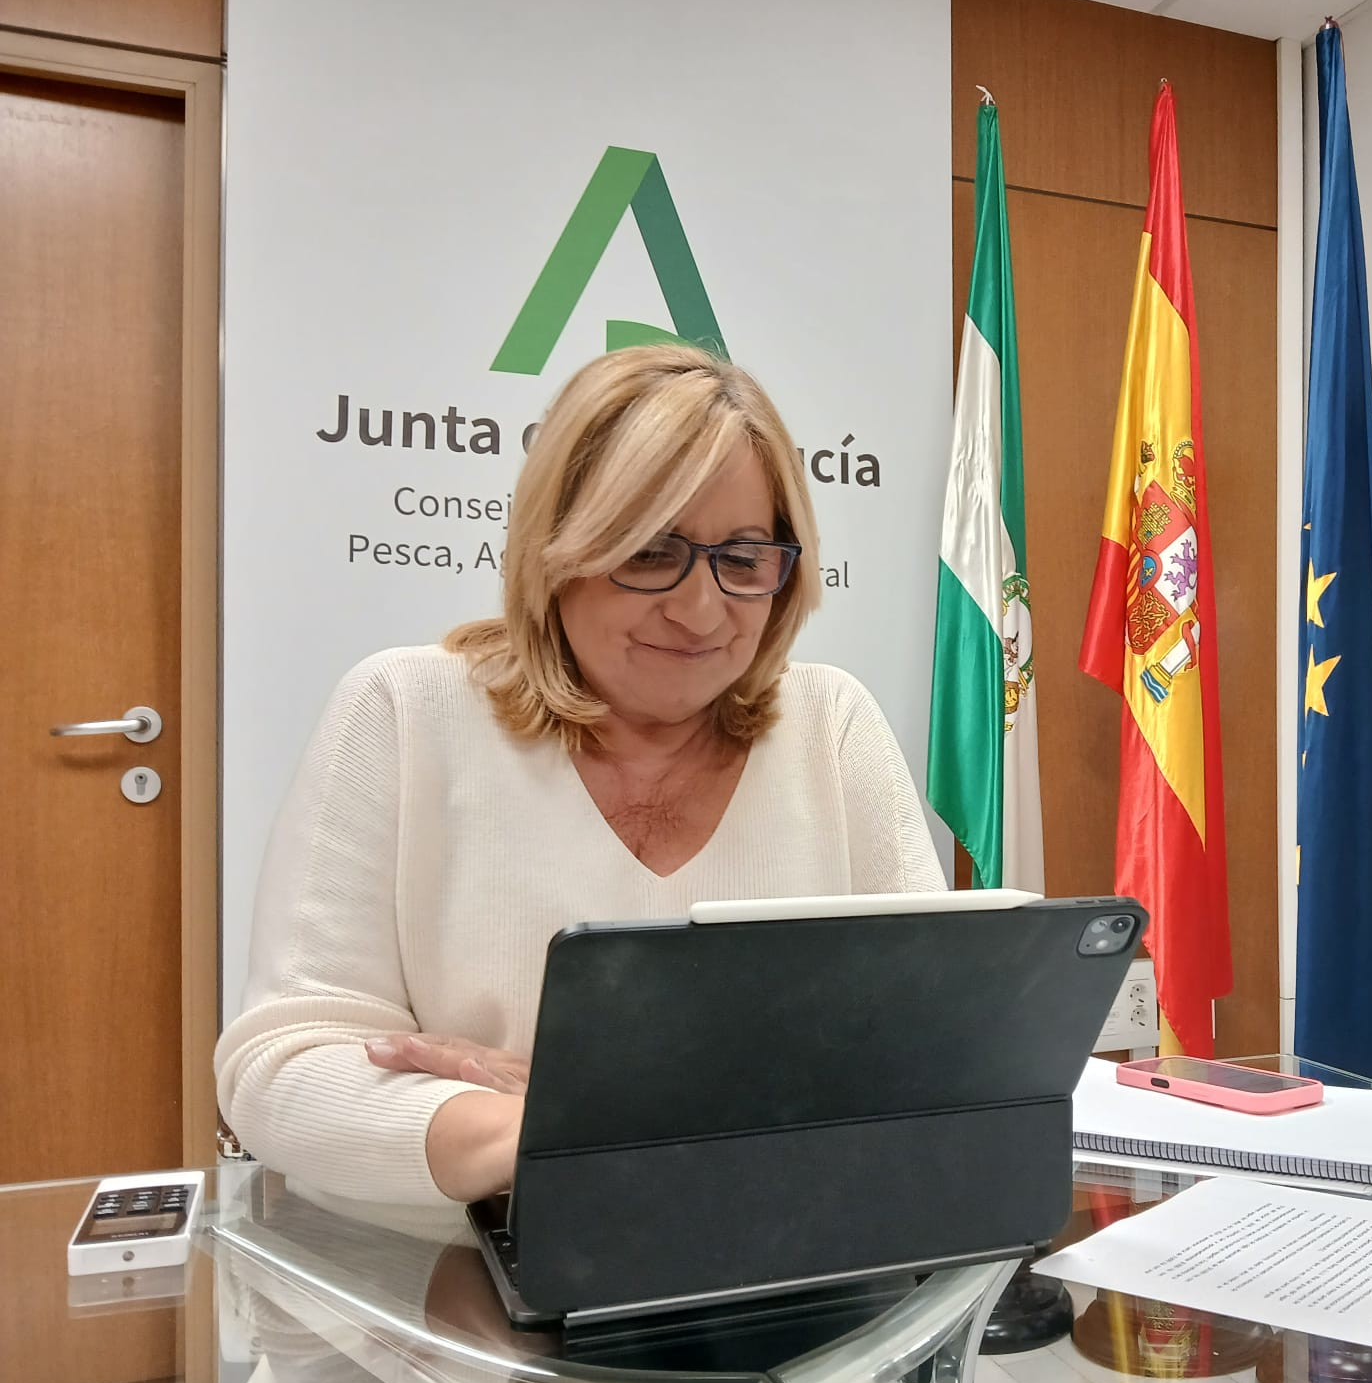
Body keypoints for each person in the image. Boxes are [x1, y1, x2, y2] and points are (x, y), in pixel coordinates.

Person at [216, 345, 944, 1206]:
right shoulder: (403, 710)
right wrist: (541, 1132)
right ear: (555, 550)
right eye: (651, 552)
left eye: (744, 560)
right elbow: (284, 1069)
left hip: (774, 1243)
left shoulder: (831, 723)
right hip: (444, 1267)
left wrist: (590, 1114)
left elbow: (934, 1048)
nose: (701, 610)